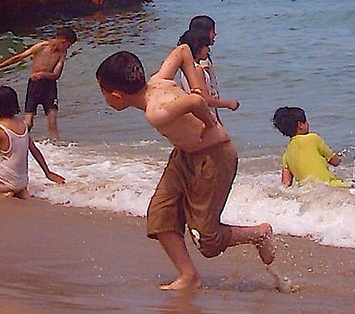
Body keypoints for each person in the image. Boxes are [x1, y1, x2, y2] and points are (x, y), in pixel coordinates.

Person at [96, 50, 280, 290]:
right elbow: (183, 51)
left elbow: (195, 101)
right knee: (160, 213)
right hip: (184, 155)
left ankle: (259, 233)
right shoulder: (159, 80)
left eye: (102, 92)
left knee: (208, 241)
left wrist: (210, 121)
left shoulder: (156, 111)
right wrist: (197, 86)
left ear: (116, 95)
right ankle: (189, 276)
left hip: (215, 157)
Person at [0, 27, 76, 140]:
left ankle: (58, 149)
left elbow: (56, 75)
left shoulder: (62, 53)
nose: (68, 48)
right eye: (68, 45)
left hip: (50, 87)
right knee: (28, 122)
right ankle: (18, 142)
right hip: (35, 86)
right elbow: (19, 57)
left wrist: (42, 74)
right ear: (63, 41)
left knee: (52, 122)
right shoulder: (41, 47)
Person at [156, 27, 239, 111]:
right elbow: (206, 100)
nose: (209, 49)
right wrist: (229, 103)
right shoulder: (197, 70)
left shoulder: (185, 70)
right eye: (206, 46)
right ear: (198, 48)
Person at [272, 106, 348, 187]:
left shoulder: (287, 155)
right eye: (306, 122)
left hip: (307, 192)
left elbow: (285, 184)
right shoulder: (313, 138)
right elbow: (335, 161)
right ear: (300, 124)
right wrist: (339, 157)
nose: (308, 124)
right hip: (328, 186)